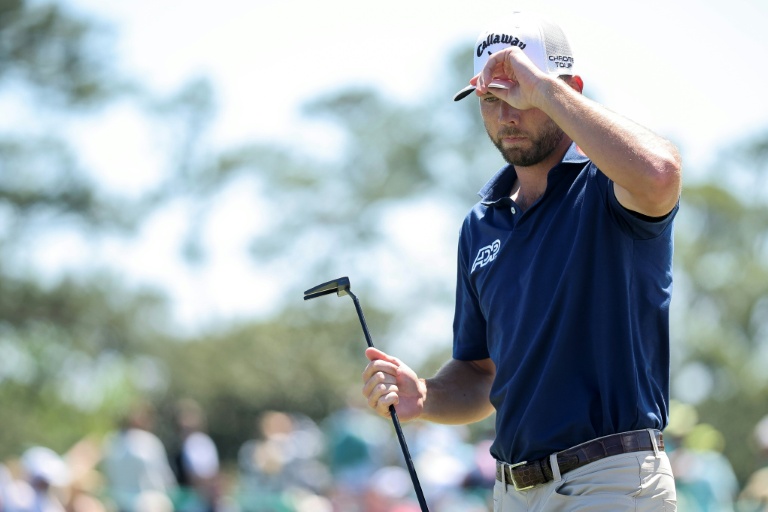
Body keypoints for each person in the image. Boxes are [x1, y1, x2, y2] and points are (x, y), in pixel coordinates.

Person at [361, 10, 682, 511]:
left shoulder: (609, 185)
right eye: (491, 99)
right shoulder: (481, 224)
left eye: (519, 95)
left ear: (568, 88)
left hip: (611, 481)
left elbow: (661, 173)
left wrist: (543, 87)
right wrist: (423, 396)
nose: (506, 114)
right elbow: (479, 372)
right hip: (512, 493)